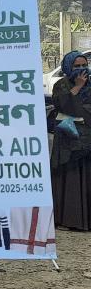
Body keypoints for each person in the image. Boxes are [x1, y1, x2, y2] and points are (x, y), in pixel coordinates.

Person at [50, 51, 91, 231]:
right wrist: (77, 87)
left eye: (84, 66)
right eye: (77, 66)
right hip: (68, 140)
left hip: (87, 138)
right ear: (68, 67)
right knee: (71, 179)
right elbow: (63, 105)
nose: (82, 70)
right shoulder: (61, 85)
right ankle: (68, 220)